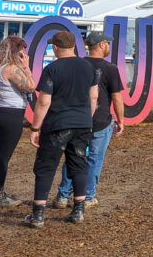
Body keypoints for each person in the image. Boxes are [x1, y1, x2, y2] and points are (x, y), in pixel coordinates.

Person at [22, 31, 98, 228]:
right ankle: (78, 210)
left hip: (57, 124)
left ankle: (38, 215)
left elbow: (44, 101)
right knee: (79, 164)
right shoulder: (89, 67)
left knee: (46, 166)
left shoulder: (52, 69)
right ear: (74, 46)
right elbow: (94, 97)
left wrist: (35, 127)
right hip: (82, 123)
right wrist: (87, 120)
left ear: (55, 47)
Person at [52, 31, 124, 209]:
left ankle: (62, 196)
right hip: (100, 121)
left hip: (77, 119)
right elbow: (116, 97)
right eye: (107, 43)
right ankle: (88, 196)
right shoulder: (110, 68)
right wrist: (121, 120)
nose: (108, 46)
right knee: (94, 159)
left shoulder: (77, 65)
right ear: (101, 45)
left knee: (73, 157)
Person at [0, 36, 36, 206]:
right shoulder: (12, 69)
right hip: (10, 114)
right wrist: (27, 68)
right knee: (3, 157)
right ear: (17, 52)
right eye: (22, 52)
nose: (24, 55)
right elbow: (31, 86)